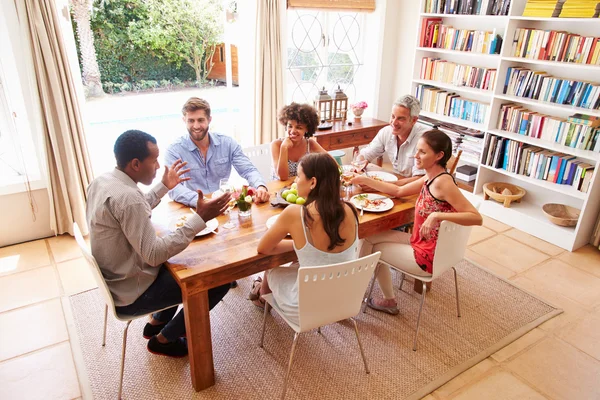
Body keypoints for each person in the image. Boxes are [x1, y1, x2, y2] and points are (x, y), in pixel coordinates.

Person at [87, 130, 232, 357]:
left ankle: (156, 322)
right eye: (154, 160)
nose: (158, 166)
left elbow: (134, 209)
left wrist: (164, 186)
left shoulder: (104, 181)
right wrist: (200, 218)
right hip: (131, 294)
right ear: (135, 164)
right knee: (219, 277)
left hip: (117, 279)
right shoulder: (128, 199)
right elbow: (154, 255)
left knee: (180, 258)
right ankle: (164, 340)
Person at [351, 129, 482, 315]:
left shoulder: (443, 183)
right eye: (417, 150)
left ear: (439, 155)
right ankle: (361, 293)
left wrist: (437, 216)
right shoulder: (430, 177)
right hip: (422, 242)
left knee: (373, 249)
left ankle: (357, 297)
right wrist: (365, 180)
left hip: (427, 255)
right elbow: (397, 191)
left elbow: (476, 217)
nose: (416, 155)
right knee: (368, 237)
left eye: (422, 152)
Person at [251, 153, 360, 324]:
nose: (295, 182)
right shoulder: (351, 209)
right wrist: (302, 245)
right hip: (342, 302)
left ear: (313, 182)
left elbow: (263, 248)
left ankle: (261, 297)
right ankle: (261, 295)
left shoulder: (295, 213)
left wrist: (299, 244)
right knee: (302, 264)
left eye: (298, 176)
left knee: (271, 267)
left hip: (303, 309)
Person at [165, 97, 270, 206]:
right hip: (193, 208)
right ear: (184, 120)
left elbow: (248, 170)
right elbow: (173, 188)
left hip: (223, 206)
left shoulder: (227, 143)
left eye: (200, 120)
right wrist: (201, 201)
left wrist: (260, 186)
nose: (196, 126)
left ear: (209, 120)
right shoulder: (174, 150)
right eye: (191, 121)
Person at [356, 95, 429, 186]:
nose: (393, 123)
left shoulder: (424, 140)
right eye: (393, 116)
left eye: (400, 118)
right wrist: (360, 162)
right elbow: (365, 154)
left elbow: (422, 179)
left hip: (417, 189)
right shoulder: (386, 132)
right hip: (397, 183)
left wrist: (383, 186)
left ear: (413, 120)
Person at [270, 102, 327, 180]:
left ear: (307, 129)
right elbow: (282, 177)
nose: (293, 131)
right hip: (279, 189)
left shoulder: (310, 144)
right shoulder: (277, 144)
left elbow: (331, 163)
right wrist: (284, 148)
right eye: (290, 126)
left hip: (301, 188)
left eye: (299, 127)